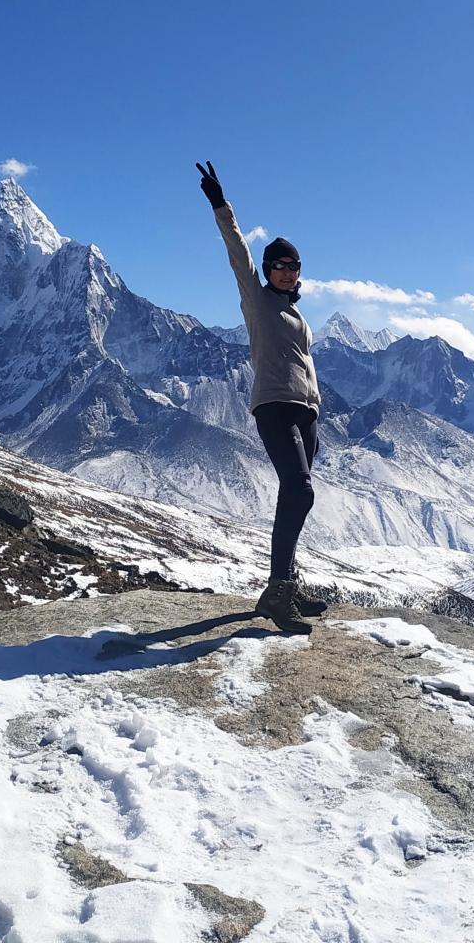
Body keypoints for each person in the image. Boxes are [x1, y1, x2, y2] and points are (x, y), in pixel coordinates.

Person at [196, 161, 328, 634]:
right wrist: (221, 206)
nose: (286, 273)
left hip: (304, 412)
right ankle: (278, 592)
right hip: (273, 406)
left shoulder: (297, 313)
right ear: (268, 270)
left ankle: (286, 583)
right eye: (279, 266)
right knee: (300, 489)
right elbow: (238, 252)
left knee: (295, 497)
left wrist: (315, 407)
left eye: (293, 267)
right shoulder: (257, 298)